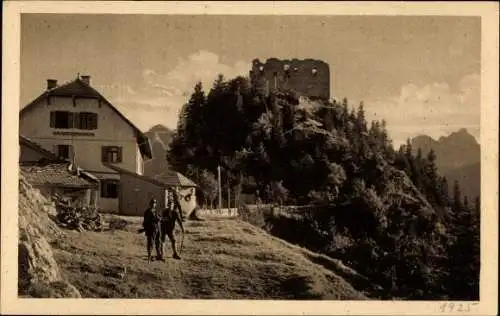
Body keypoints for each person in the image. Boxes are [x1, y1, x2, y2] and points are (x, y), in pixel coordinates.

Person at [160, 189, 185, 260]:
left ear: (173, 205)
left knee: (174, 240)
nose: (171, 206)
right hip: (164, 228)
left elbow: (179, 221)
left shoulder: (175, 213)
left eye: (172, 204)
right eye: (169, 204)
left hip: (171, 229)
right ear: (168, 205)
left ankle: (175, 253)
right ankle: (162, 255)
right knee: (162, 241)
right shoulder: (164, 211)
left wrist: (182, 228)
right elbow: (161, 219)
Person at [142, 198, 163, 263]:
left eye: (154, 203)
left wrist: (160, 219)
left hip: (157, 229)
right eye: (152, 203)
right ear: (150, 204)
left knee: (158, 242)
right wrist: (146, 229)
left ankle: (159, 256)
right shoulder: (148, 212)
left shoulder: (156, 211)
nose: (153, 204)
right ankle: (149, 257)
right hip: (151, 230)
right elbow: (145, 222)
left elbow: (159, 219)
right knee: (150, 244)